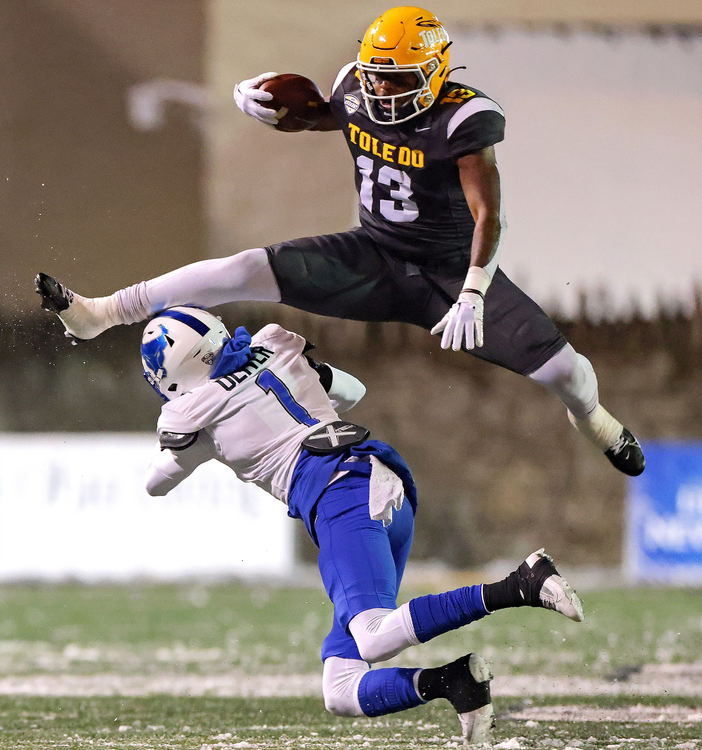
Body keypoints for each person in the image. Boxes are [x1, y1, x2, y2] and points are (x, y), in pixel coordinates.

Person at [33, 5, 644, 477]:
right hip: (373, 256)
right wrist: (278, 113)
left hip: (450, 273)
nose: (381, 92)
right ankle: (102, 312)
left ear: (434, 74)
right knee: (244, 267)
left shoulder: (463, 120)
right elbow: (330, 115)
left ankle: (592, 419)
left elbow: (491, 216)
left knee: (566, 372)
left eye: (397, 80)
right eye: (377, 78)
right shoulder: (358, 88)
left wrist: (474, 292)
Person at [131, 303, 584, 744]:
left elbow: (157, 484)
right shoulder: (272, 344)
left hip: (340, 494)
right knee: (341, 689)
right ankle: (455, 683)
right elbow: (352, 391)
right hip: (379, 482)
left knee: (372, 639)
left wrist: (205, 443)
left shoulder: (192, 411)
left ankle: (522, 584)